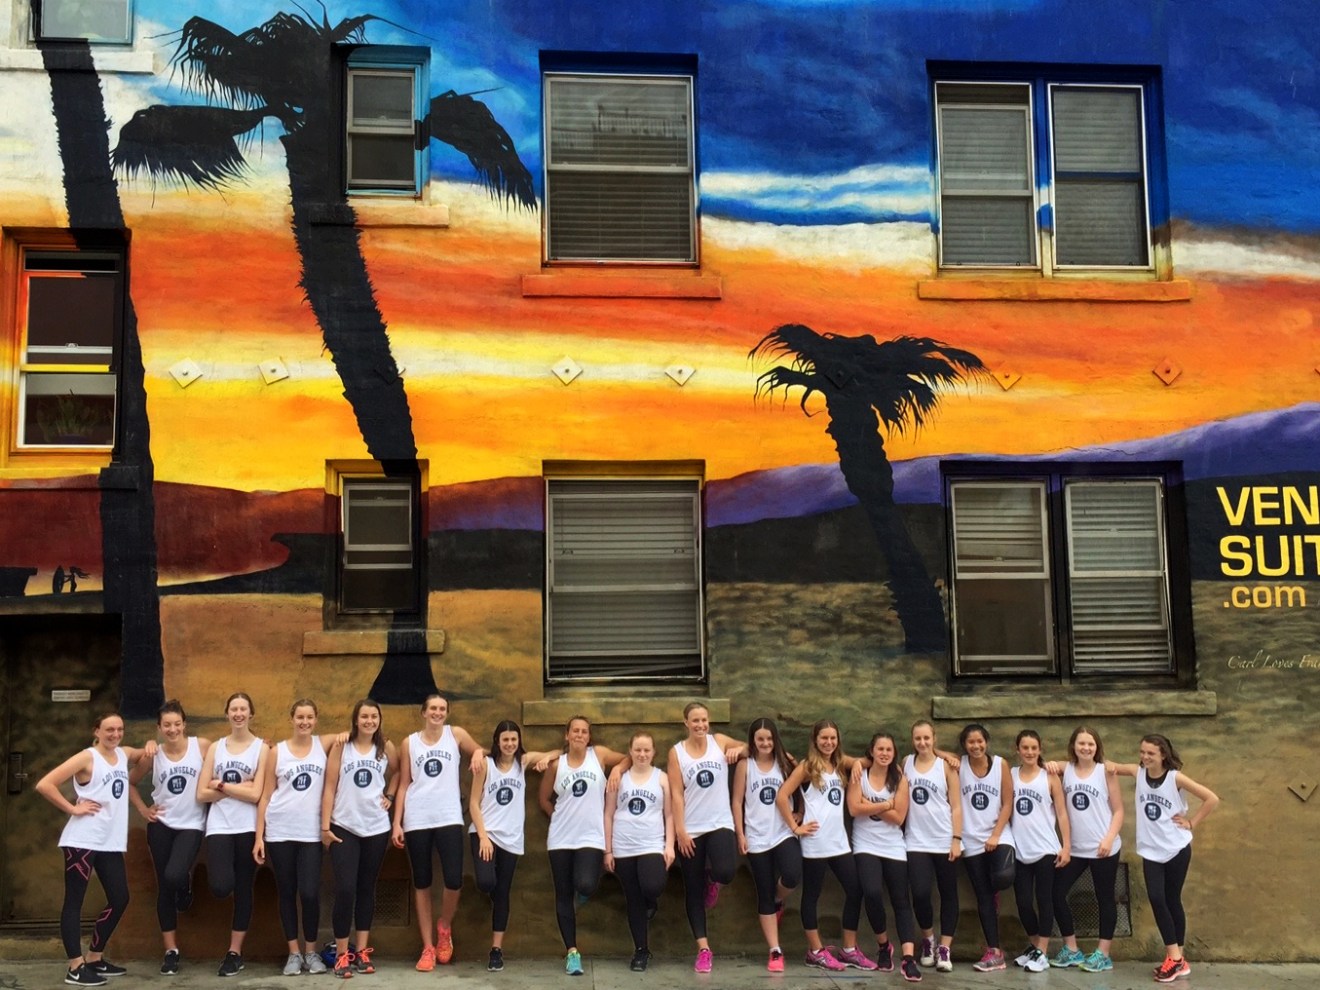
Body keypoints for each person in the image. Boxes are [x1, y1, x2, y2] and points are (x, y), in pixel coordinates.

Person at [36, 712, 149, 987]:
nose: (115, 734)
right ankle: (75, 966)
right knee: (74, 901)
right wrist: (74, 808)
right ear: (96, 731)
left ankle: (95, 957)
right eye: (109, 729)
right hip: (82, 840)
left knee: (120, 898)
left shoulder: (122, 754)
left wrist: (150, 746)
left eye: (120, 729)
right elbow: (45, 784)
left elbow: (141, 754)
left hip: (109, 842)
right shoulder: (87, 758)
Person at [1108, 734, 1220, 983]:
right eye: (1142, 752)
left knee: (1171, 899)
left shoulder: (1175, 778)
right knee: (1158, 898)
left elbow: (1211, 798)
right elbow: (1111, 766)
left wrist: (1192, 823)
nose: (1145, 757)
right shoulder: (1139, 773)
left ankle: (1176, 959)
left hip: (1177, 849)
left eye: (1151, 753)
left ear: (1163, 755)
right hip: (1151, 851)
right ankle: (1176, 959)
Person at [391, 693, 484, 971]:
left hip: (449, 817)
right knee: (422, 882)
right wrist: (397, 822)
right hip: (417, 818)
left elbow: (480, 751)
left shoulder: (454, 735)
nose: (437, 712)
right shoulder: (410, 742)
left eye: (442, 708)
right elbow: (405, 784)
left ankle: (444, 927)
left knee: (454, 880)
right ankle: (428, 946)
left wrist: (478, 751)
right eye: (433, 708)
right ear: (423, 712)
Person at [776, 719, 876, 972]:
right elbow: (781, 796)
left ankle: (850, 949)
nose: (829, 742)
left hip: (839, 843)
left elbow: (866, 761)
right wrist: (795, 827)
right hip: (815, 844)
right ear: (815, 740)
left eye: (833, 738)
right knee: (811, 897)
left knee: (856, 890)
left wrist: (856, 765)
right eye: (824, 738)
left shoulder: (839, 763)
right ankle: (816, 951)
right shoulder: (808, 767)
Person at [255, 698, 340, 976]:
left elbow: (354, 735)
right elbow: (266, 795)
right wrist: (259, 837)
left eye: (309, 717)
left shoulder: (322, 744)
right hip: (280, 831)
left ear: (316, 720)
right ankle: (294, 953)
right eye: (299, 717)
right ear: (291, 719)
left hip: (311, 834)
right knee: (288, 892)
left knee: (310, 892)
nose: (304, 722)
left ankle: (311, 952)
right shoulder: (277, 751)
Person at [537, 715, 629, 975]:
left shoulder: (598, 755)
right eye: (575, 731)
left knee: (586, 883)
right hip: (560, 838)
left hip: (591, 836)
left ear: (589, 736)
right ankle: (572, 952)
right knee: (563, 895)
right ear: (567, 735)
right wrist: (556, 816)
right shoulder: (557, 765)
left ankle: (585, 890)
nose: (579, 735)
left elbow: (628, 757)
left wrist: (618, 770)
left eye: (584, 731)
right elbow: (544, 798)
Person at [468, 720, 559, 972]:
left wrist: (545, 760)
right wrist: (484, 837)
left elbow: (558, 752)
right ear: (497, 741)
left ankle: (496, 950)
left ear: (518, 741)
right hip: (485, 834)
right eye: (505, 739)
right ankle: (493, 896)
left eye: (513, 740)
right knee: (487, 882)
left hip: (511, 838)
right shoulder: (485, 765)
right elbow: (474, 803)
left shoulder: (522, 762)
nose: (509, 744)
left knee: (503, 893)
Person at [128, 700, 211, 976]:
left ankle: (185, 885)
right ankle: (171, 951)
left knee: (175, 874)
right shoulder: (153, 754)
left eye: (177, 724)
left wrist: (267, 746)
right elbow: (128, 781)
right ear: (159, 727)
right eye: (167, 725)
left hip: (192, 824)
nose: (172, 729)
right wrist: (142, 809)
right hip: (161, 824)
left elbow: (235, 754)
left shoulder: (202, 747)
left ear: (184, 724)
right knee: (164, 885)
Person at [321, 699, 398, 978]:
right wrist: (325, 826)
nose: (369, 721)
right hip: (344, 826)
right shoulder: (343, 746)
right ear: (355, 719)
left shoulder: (386, 747)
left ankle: (362, 952)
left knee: (367, 888)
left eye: (374, 716)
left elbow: (401, 771)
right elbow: (329, 786)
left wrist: (389, 795)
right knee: (345, 889)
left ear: (379, 720)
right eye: (364, 716)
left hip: (376, 828)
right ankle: (342, 955)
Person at [667, 702, 746, 973]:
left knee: (725, 870)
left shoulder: (719, 741)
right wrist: (680, 831)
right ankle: (703, 948)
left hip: (720, 822)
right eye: (695, 721)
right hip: (691, 828)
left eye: (704, 720)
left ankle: (713, 880)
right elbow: (676, 793)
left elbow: (751, 748)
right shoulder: (677, 752)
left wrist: (739, 749)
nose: (700, 725)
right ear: (686, 723)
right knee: (692, 888)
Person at [198, 691, 271, 978]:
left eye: (243, 709)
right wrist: (241, 787)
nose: (239, 713)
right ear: (227, 713)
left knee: (243, 889)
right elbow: (201, 793)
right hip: (219, 827)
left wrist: (223, 786)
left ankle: (234, 952)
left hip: (248, 827)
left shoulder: (261, 749)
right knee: (220, 885)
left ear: (251, 714)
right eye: (234, 709)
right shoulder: (217, 748)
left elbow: (257, 794)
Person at [1050, 726, 1124, 973]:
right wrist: (1049, 764)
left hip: (1104, 849)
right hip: (1075, 849)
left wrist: (1108, 838)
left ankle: (1103, 954)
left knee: (1105, 899)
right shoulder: (1065, 769)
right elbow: (1035, 763)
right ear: (1073, 746)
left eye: (1090, 744)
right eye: (1081, 743)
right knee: (1056, 893)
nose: (1086, 748)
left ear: (1097, 747)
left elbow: (1119, 811)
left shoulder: (1106, 771)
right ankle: (1072, 950)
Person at [848, 731, 921, 982]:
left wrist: (870, 803)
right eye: (880, 749)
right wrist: (885, 804)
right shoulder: (860, 773)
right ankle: (883, 946)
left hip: (893, 845)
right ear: (871, 751)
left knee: (901, 899)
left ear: (894, 754)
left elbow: (899, 817)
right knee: (872, 892)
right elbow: (854, 808)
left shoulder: (900, 778)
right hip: (865, 844)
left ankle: (908, 958)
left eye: (889, 750)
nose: (884, 753)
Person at [732, 717, 801, 973]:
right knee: (762, 892)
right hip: (757, 836)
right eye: (760, 739)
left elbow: (801, 789)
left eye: (769, 738)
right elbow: (737, 801)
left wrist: (800, 814)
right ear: (753, 740)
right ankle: (775, 950)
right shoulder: (745, 766)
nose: (765, 743)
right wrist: (740, 834)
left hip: (783, 832)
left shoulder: (785, 762)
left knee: (792, 874)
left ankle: (778, 899)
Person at [604, 731, 675, 972]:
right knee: (633, 900)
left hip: (652, 844)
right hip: (623, 846)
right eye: (637, 750)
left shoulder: (662, 778)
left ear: (654, 753)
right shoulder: (619, 778)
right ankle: (641, 951)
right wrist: (608, 850)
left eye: (646, 750)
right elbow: (608, 813)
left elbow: (669, 814)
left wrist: (669, 845)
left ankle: (651, 901)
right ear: (630, 752)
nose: (642, 754)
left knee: (652, 886)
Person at [1008, 730, 1070, 973]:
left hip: (1046, 849)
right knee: (1023, 902)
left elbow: (1062, 813)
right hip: (1021, 850)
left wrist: (1066, 846)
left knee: (1044, 900)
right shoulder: (1011, 775)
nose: (1030, 752)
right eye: (1025, 747)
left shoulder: (1050, 777)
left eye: (1034, 748)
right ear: (1018, 750)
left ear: (1040, 749)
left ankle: (1042, 952)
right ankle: (1035, 945)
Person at [903, 719, 962, 973]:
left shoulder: (946, 766)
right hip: (916, 841)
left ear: (934, 738)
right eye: (918, 738)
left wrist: (957, 839)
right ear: (912, 740)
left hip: (944, 840)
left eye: (927, 738)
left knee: (949, 894)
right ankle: (928, 939)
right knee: (919, 893)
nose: (923, 743)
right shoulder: (906, 763)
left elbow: (957, 805)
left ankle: (945, 948)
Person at [957, 723, 1015, 973]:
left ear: (987, 742)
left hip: (998, 835)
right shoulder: (958, 766)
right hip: (971, 840)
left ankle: (995, 891)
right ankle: (995, 951)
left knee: (1003, 876)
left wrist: (995, 834)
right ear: (964, 745)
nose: (976, 746)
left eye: (980, 741)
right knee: (983, 897)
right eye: (971, 742)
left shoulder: (1000, 764)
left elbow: (1007, 802)